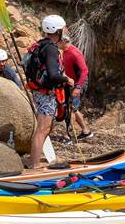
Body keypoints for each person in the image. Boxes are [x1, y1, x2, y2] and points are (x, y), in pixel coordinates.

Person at [26, 15, 74, 169]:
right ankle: (34, 165)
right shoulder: (52, 49)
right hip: (46, 93)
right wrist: (67, 80)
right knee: (42, 129)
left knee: (48, 128)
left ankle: (34, 160)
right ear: (57, 31)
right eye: (63, 28)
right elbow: (53, 74)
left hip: (39, 92)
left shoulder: (40, 44)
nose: (65, 30)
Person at [58, 33, 93, 141]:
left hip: (79, 83)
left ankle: (67, 136)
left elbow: (84, 70)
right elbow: (66, 64)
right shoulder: (65, 52)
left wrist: (78, 87)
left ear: (64, 42)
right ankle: (86, 131)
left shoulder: (74, 53)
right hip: (71, 83)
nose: (56, 43)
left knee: (71, 109)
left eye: (58, 41)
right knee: (73, 108)